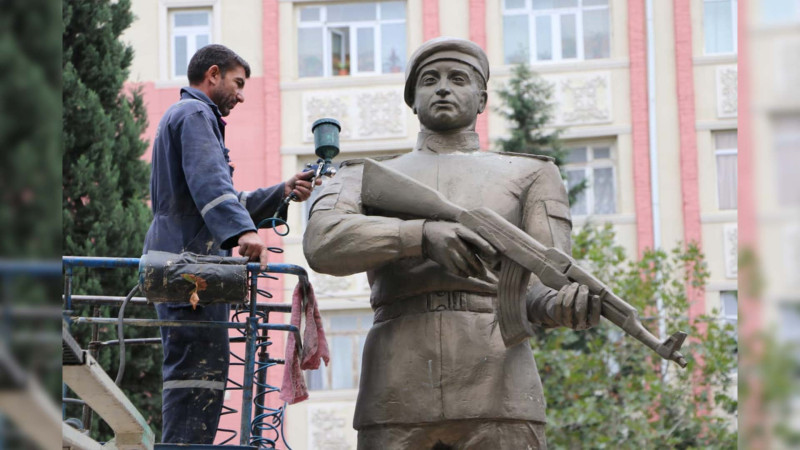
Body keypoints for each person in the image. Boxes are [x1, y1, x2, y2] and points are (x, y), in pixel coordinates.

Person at [303, 37, 601, 449]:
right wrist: (420, 236)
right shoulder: (360, 175)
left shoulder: (532, 174)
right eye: (429, 80)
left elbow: (543, 283)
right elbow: (323, 242)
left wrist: (564, 306)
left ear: (481, 99)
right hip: (397, 380)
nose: (443, 88)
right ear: (412, 100)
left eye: (458, 78)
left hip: (499, 380)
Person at [142, 44, 318, 444]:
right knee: (195, 379)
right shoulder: (194, 113)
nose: (241, 95)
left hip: (190, 262)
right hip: (188, 265)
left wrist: (282, 191)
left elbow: (220, 198)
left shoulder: (191, 117)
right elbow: (211, 184)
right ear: (214, 74)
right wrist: (244, 233)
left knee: (199, 375)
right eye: (238, 84)